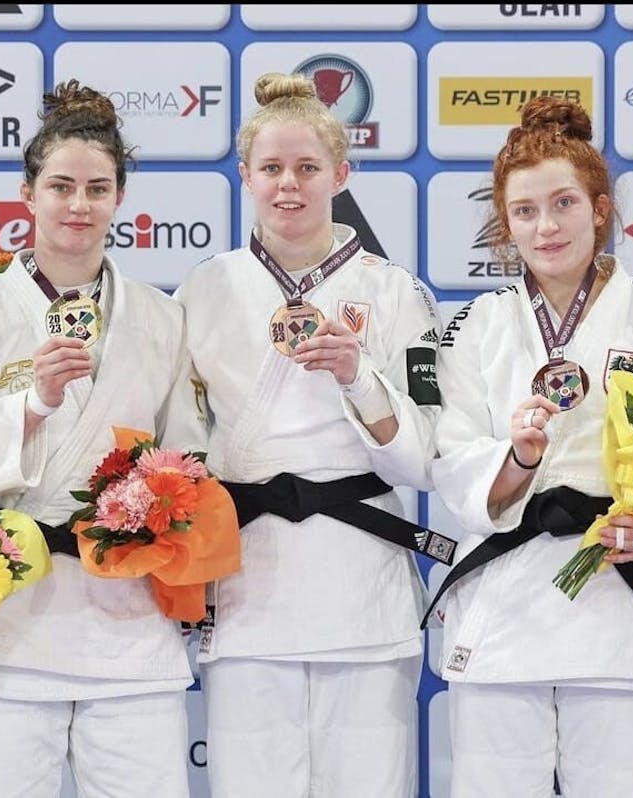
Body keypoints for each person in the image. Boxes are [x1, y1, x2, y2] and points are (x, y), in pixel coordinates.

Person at [429, 95, 633, 796]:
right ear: (505, 223)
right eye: (524, 211)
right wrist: (516, 458)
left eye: (564, 204)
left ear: (599, 209)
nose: (545, 227)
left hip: (615, 596)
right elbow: (450, 459)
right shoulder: (476, 327)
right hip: (505, 603)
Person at [0, 80, 196, 798]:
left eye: (97, 189)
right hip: (13, 622)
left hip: (131, 623)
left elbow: (190, 461)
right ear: (28, 193)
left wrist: (157, 511)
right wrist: (32, 405)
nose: (79, 205)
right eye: (61, 186)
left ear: (120, 198)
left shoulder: (161, 318)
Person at [174, 72, 444, 798]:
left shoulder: (396, 292)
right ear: (245, 176)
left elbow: (425, 459)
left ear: (340, 175)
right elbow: (178, 443)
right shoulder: (204, 289)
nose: (288, 185)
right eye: (271, 168)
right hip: (248, 578)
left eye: (306, 168)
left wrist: (359, 377)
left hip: (361, 579)